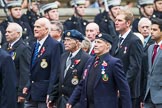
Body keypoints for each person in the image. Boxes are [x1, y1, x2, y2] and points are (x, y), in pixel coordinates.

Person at [66, 33, 132, 108]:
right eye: (95, 42)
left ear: (107, 45)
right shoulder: (90, 60)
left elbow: (124, 88)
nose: (95, 45)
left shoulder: (113, 63)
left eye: (99, 42)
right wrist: (71, 100)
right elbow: (82, 83)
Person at [23, 18, 61, 108]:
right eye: (35, 26)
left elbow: (55, 71)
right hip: (32, 93)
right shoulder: (34, 45)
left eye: (38, 27)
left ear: (46, 30)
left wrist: (51, 93)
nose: (35, 29)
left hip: (44, 94)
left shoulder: (55, 45)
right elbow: (33, 69)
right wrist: (28, 85)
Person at [47, 29, 91, 108]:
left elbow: (83, 83)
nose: (65, 43)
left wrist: (73, 101)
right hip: (61, 101)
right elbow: (58, 78)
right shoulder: (64, 56)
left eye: (68, 40)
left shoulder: (86, 58)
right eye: (65, 40)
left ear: (77, 42)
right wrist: (52, 96)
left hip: (76, 103)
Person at [110, 10, 143, 108]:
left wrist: (122, 85)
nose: (116, 22)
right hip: (115, 89)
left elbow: (134, 67)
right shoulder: (116, 40)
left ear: (128, 23)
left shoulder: (134, 40)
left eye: (119, 20)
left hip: (128, 91)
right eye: (115, 20)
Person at [2, 23, 31, 108]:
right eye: (6, 31)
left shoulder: (24, 48)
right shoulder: (4, 46)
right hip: (4, 87)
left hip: (15, 89)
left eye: (9, 32)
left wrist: (21, 93)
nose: (6, 34)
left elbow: (25, 72)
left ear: (18, 34)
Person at [143, 18, 162, 108]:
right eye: (151, 29)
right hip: (148, 95)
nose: (151, 32)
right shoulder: (150, 48)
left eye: (154, 30)